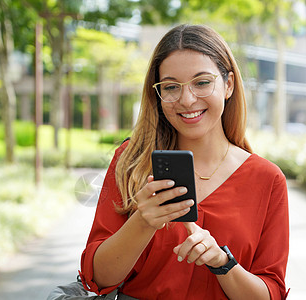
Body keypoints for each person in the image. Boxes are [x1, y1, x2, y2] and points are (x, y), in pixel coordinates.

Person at [78, 24, 289, 300]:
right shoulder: (131, 162)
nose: (187, 99)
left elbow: (269, 293)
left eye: (202, 82)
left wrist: (223, 264)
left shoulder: (267, 179)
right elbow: (98, 279)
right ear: (158, 93)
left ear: (228, 85)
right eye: (171, 87)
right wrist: (143, 221)